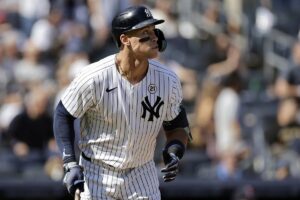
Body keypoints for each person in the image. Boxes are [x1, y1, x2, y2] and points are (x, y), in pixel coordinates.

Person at [53, 5, 191, 200]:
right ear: (124, 39)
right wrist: (69, 162)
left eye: (154, 31)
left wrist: (175, 149)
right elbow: (63, 114)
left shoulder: (168, 79)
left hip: (141, 172)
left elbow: (177, 124)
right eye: (145, 32)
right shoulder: (94, 76)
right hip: (97, 171)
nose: (154, 37)